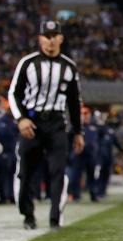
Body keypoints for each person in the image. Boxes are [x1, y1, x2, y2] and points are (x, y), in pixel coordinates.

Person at [7, 19, 85, 229]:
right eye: (46, 37)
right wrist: (21, 118)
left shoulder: (69, 66)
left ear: (60, 38)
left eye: (54, 37)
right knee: (24, 172)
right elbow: (13, 93)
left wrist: (78, 131)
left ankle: (54, 218)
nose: (50, 41)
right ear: (40, 38)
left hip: (57, 123)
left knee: (58, 171)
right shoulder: (28, 62)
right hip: (32, 122)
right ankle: (28, 215)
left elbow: (74, 102)